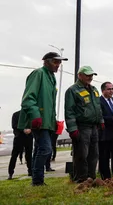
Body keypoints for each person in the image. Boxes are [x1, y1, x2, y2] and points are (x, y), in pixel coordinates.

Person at [18, 52, 67, 186]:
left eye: (59, 63)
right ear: (46, 62)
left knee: (40, 148)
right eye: (56, 62)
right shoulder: (38, 74)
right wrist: (35, 115)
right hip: (39, 119)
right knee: (46, 149)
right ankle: (37, 180)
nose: (58, 65)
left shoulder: (51, 78)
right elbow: (28, 98)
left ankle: (36, 179)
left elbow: (50, 103)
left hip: (47, 121)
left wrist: (54, 121)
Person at [65, 66, 103, 183]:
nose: (90, 78)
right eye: (87, 75)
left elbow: (98, 107)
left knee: (94, 154)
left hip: (94, 127)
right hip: (82, 127)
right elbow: (69, 111)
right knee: (82, 154)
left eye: (91, 75)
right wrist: (72, 128)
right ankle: (81, 179)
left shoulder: (94, 90)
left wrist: (101, 121)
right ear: (79, 75)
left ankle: (91, 178)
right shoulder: (73, 90)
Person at [8, 110, 33, 180]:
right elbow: (14, 126)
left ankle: (30, 171)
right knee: (14, 155)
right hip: (19, 137)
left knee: (29, 155)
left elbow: (34, 124)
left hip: (28, 137)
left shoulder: (30, 114)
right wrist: (23, 129)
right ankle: (10, 172)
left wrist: (30, 129)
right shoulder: (16, 114)